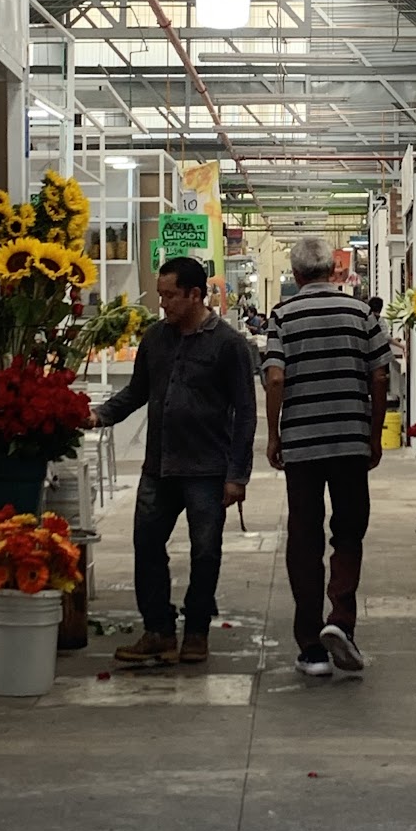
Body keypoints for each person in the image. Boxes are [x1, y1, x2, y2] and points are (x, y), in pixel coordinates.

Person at [92, 256, 256, 667]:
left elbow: (246, 412)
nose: (162, 303)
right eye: (161, 294)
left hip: (207, 470)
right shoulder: (155, 339)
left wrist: (237, 475)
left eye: (169, 295)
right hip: (159, 466)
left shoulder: (229, 345)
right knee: (146, 546)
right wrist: (100, 415)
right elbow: (137, 392)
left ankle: (196, 631)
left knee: (205, 551)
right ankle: (159, 631)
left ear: (195, 294)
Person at [265, 235, 390, 677]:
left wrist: (275, 435)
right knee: (349, 532)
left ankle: (310, 647)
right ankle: (341, 621)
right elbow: (379, 375)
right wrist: (373, 435)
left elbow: (276, 378)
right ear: (333, 271)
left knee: (304, 538)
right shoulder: (361, 313)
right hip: (351, 441)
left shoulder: (282, 316)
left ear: (297, 275)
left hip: (302, 445)